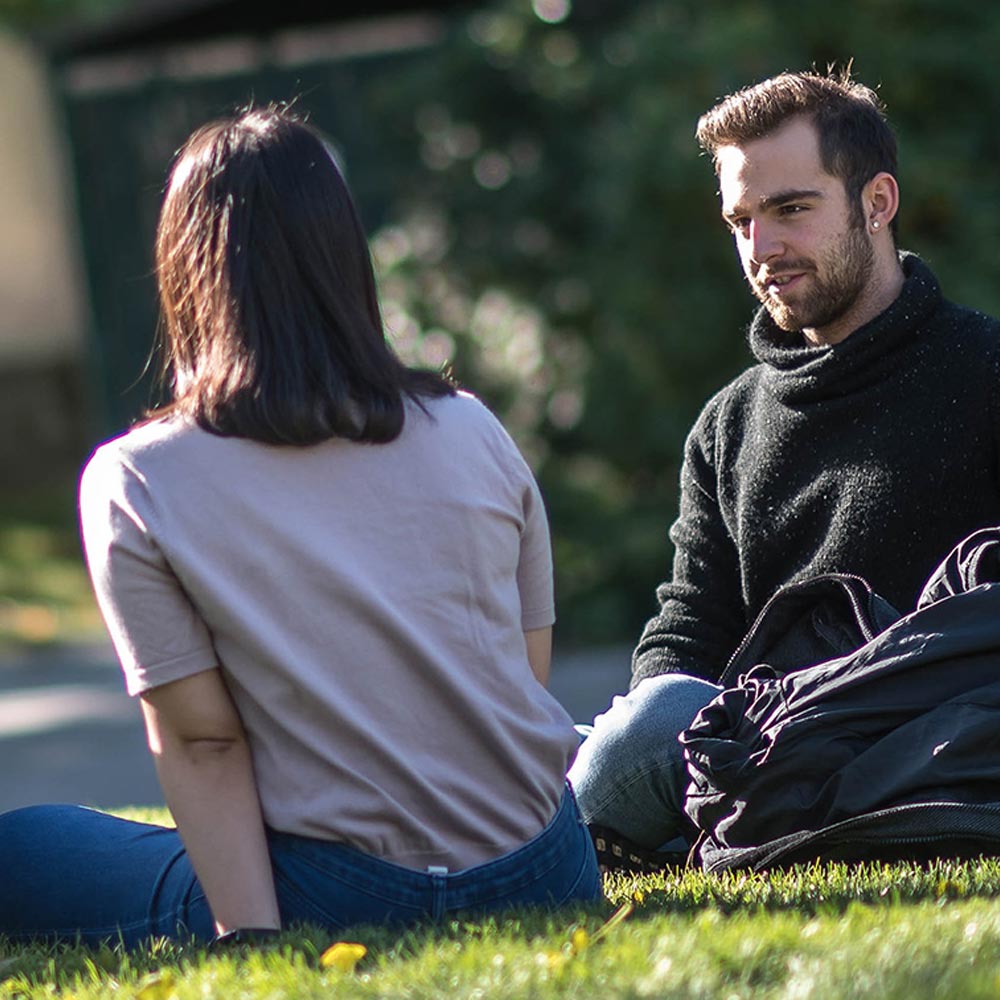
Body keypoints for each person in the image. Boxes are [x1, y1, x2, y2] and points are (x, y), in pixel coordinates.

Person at [0, 106, 600, 947]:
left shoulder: (137, 480)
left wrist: (253, 940)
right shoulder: (472, 428)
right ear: (344, 256)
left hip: (340, 891)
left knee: (20, 848)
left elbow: (203, 741)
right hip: (547, 871)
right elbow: (519, 675)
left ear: (184, 268)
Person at [568, 69, 1000, 858]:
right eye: (741, 221)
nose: (763, 248)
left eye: (791, 209)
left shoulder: (986, 369)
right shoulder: (727, 424)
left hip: (936, 742)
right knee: (632, 725)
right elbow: (689, 625)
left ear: (877, 204)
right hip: (766, 753)